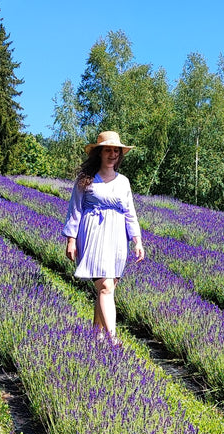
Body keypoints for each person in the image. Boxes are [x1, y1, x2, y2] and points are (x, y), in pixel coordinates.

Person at [62, 130, 145, 346]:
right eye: (107, 150)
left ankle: (95, 335)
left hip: (118, 238)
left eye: (116, 150)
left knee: (107, 288)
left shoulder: (123, 182)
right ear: (99, 153)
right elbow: (75, 210)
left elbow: (130, 213)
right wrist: (71, 239)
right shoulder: (86, 180)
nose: (112, 154)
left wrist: (137, 240)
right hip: (93, 236)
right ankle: (112, 339)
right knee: (106, 287)